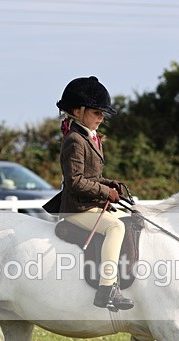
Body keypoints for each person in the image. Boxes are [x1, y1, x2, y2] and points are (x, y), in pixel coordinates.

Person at [50, 76, 134, 311]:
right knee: (115, 227)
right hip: (76, 208)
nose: (101, 117)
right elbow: (75, 182)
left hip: (89, 203)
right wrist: (104, 190)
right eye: (97, 112)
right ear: (78, 111)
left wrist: (110, 184)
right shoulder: (75, 140)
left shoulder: (90, 138)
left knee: (127, 220)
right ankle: (106, 288)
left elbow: (91, 177)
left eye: (102, 113)